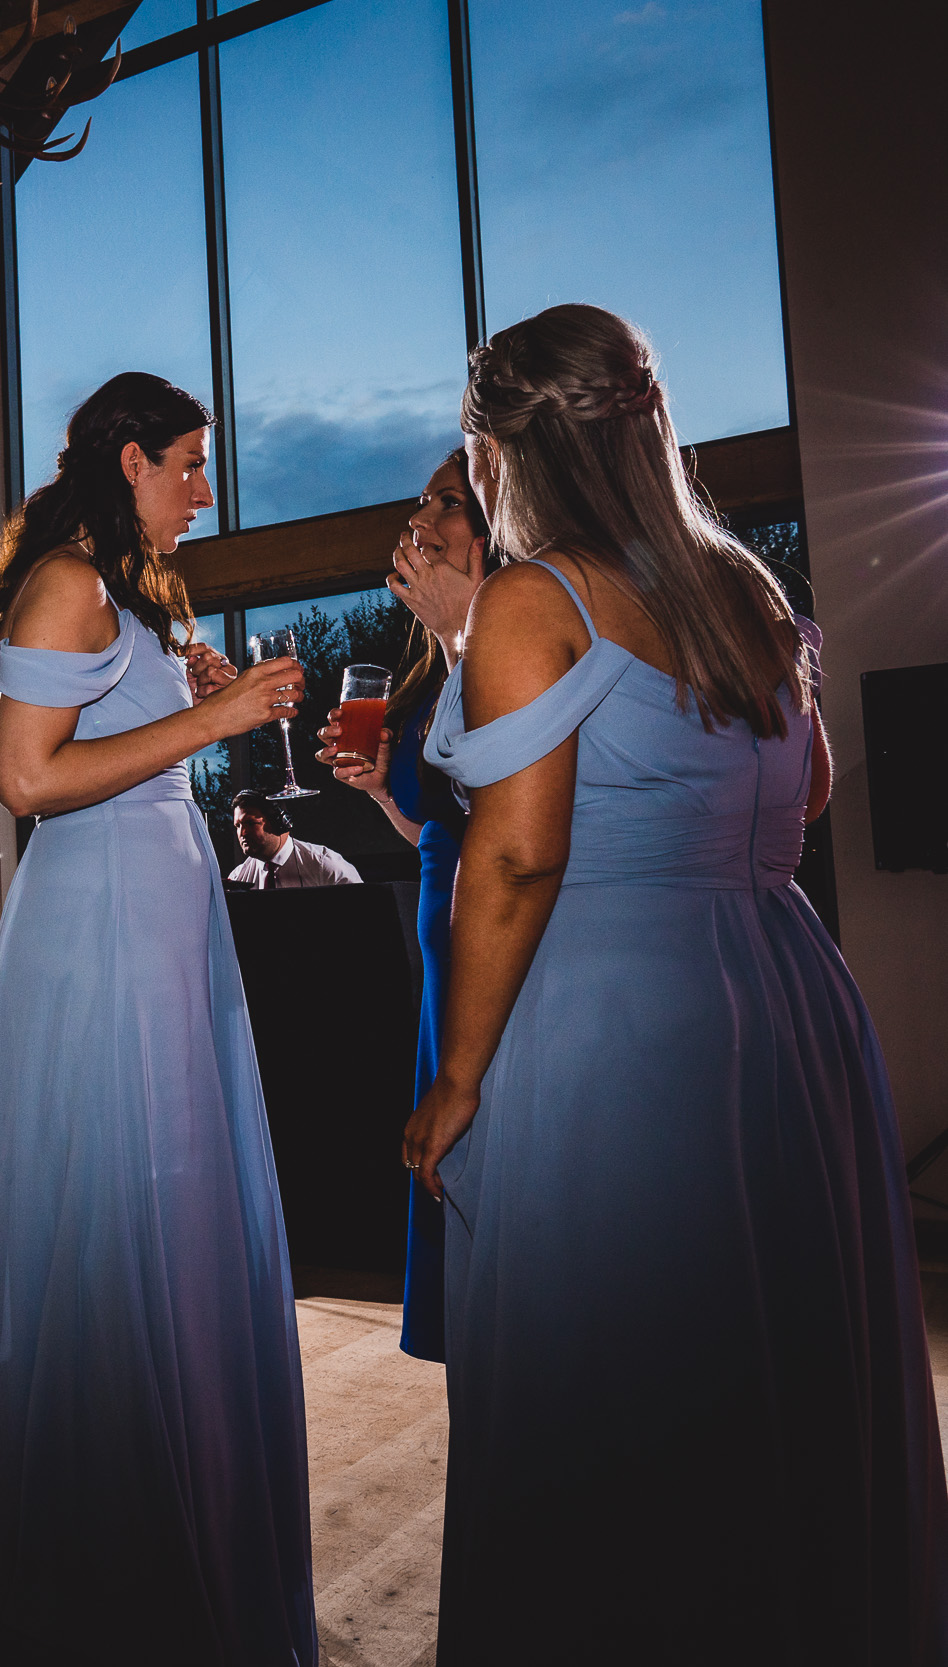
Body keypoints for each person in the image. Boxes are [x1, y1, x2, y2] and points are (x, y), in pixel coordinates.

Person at [408, 303, 948, 1660]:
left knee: (617, 1363)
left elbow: (517, 860)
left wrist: (458, 1077)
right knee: (771, 1343)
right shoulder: (748, 589)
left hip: (618, 1021)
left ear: (498, 449)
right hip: (781, 996)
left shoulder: (539, 599)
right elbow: (807, 789)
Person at [0, 371, 318, 1660]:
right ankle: (108, 1534)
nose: (202, 492)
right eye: (188, 464)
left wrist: (191, 689)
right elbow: (26, 776)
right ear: (128, 459)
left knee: (171, 1211)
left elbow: (122, 735)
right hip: (98, 927)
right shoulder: (64, 576)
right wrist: (206, 713)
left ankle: (176, 1507)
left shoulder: (133, 596)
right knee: (121, 1212)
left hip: (158, 916)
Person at [313, 450, 490, 1362]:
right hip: (440, 941)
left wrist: (465, 630)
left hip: (491, 939)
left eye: (450, 501)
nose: (424, 513)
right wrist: (385, 792)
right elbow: (440, 826)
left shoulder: (510, 634)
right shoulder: (428, 660)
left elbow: (516, 823)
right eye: (422, 496)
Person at [226, 789, 360, 888]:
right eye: (237, 826)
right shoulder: (238, 877)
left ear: (280, 823)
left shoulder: (324, 865)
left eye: (250, 823)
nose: (242, 833)